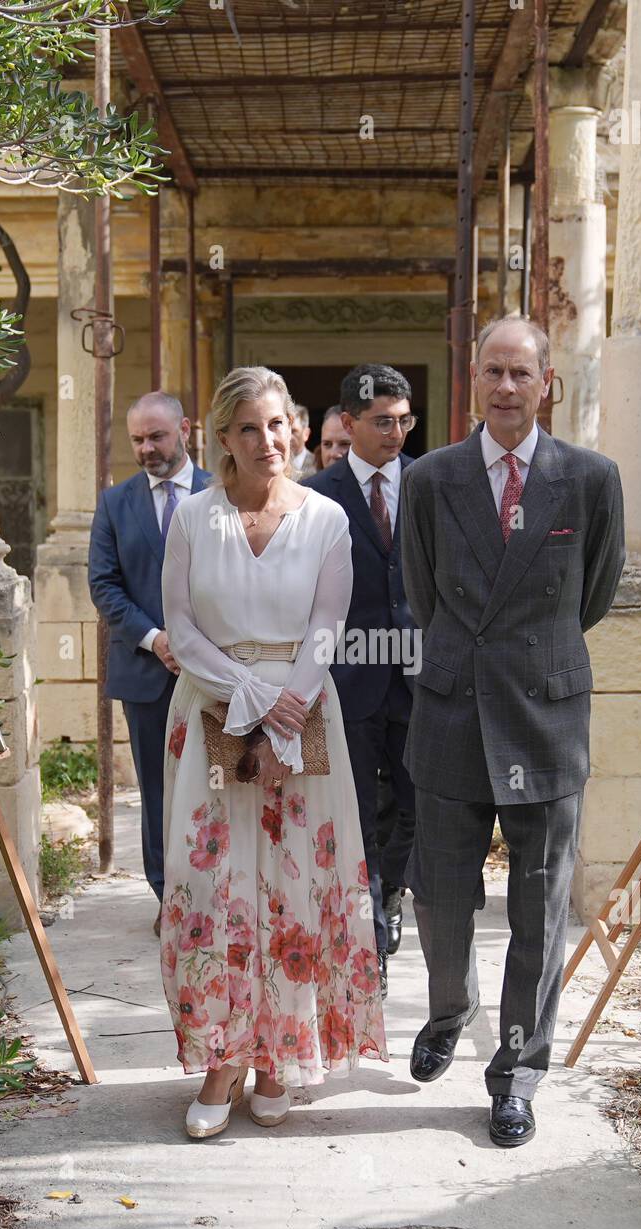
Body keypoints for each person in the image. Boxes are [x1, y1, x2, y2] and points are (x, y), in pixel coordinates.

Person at [400, 314, 626, 1149]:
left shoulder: (590, 480)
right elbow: (424, 596)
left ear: (546, 384)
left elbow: (591, 594)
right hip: (454, 709)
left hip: (544, 716)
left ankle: (516, 1073)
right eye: (492, 372)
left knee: (538, 905)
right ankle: (450, 1005)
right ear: (474, 381)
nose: (505, 388)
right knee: (442, 898)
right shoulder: (432, 479)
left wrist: (529, 660)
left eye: (520, 374)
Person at [159, 366, 387, 1139]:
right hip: (214, 708)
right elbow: (180, 625)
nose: (269, 441)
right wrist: (243, 693)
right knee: (214, 879)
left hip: (300, 711)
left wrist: (286, 700)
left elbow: (329, 622)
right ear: (222, 438)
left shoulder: (326, 519)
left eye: (280, 424)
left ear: (297, 427)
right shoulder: (193, 519)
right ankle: (222, 1059)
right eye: (249, 428)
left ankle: (278, 1058)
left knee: (295, 882)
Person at [304, 365, 418, 996]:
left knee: (414, 799)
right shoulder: (315, 495)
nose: (396, 432)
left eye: (405, 420)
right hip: (347, 675)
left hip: (419, 672)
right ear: (348, 424)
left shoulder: (429, 483)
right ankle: (369, 912)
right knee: (354, 805)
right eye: (383, 422)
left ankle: (393, 888)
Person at [88, 392, 212, 934]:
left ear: (184, 429)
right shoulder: (115, 504)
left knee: (216, 783)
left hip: (216, 674)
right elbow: (104, 585)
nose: (146, 448)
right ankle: (170, 899)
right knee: (158, 790)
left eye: (156, 436)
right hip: (146, 673)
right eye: (137, 439)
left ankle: (216, 893)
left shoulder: (221, 493)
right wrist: (156, 639)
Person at [288, 404, 313, 478]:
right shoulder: (274, 463)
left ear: (306, 434)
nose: (288, 437)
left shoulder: (318, 464)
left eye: (294, 431)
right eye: (286, 431)